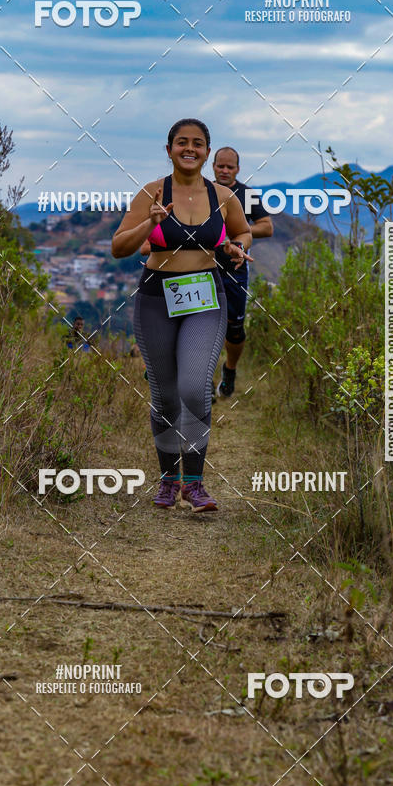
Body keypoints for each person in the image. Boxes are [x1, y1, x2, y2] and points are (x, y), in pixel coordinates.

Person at [112, 119, 252, 512]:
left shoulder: (224, 196)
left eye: (198, 143)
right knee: (165, 393)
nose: (189, 149)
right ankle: (168, 480)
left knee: (194, 387)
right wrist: (150, 222)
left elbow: (243, 232)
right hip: (157, 297)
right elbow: (119, 247)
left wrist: (236, 248)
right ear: (169, 148)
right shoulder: (151, 193)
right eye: (181, 142)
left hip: (206, 298)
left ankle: (194, 483)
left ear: (208, 152)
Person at [212, 146, 273, 397]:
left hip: (235, 268)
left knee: (234, 330)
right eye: (220, 166)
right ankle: (202, 383)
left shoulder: (245, 195)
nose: (225, 170)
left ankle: (230, 370)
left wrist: (238, 233)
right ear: (213, 166)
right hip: (201, 266)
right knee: (201, 324)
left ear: (238, 169)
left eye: (230, 167)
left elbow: (267, 227)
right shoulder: (202, 190)